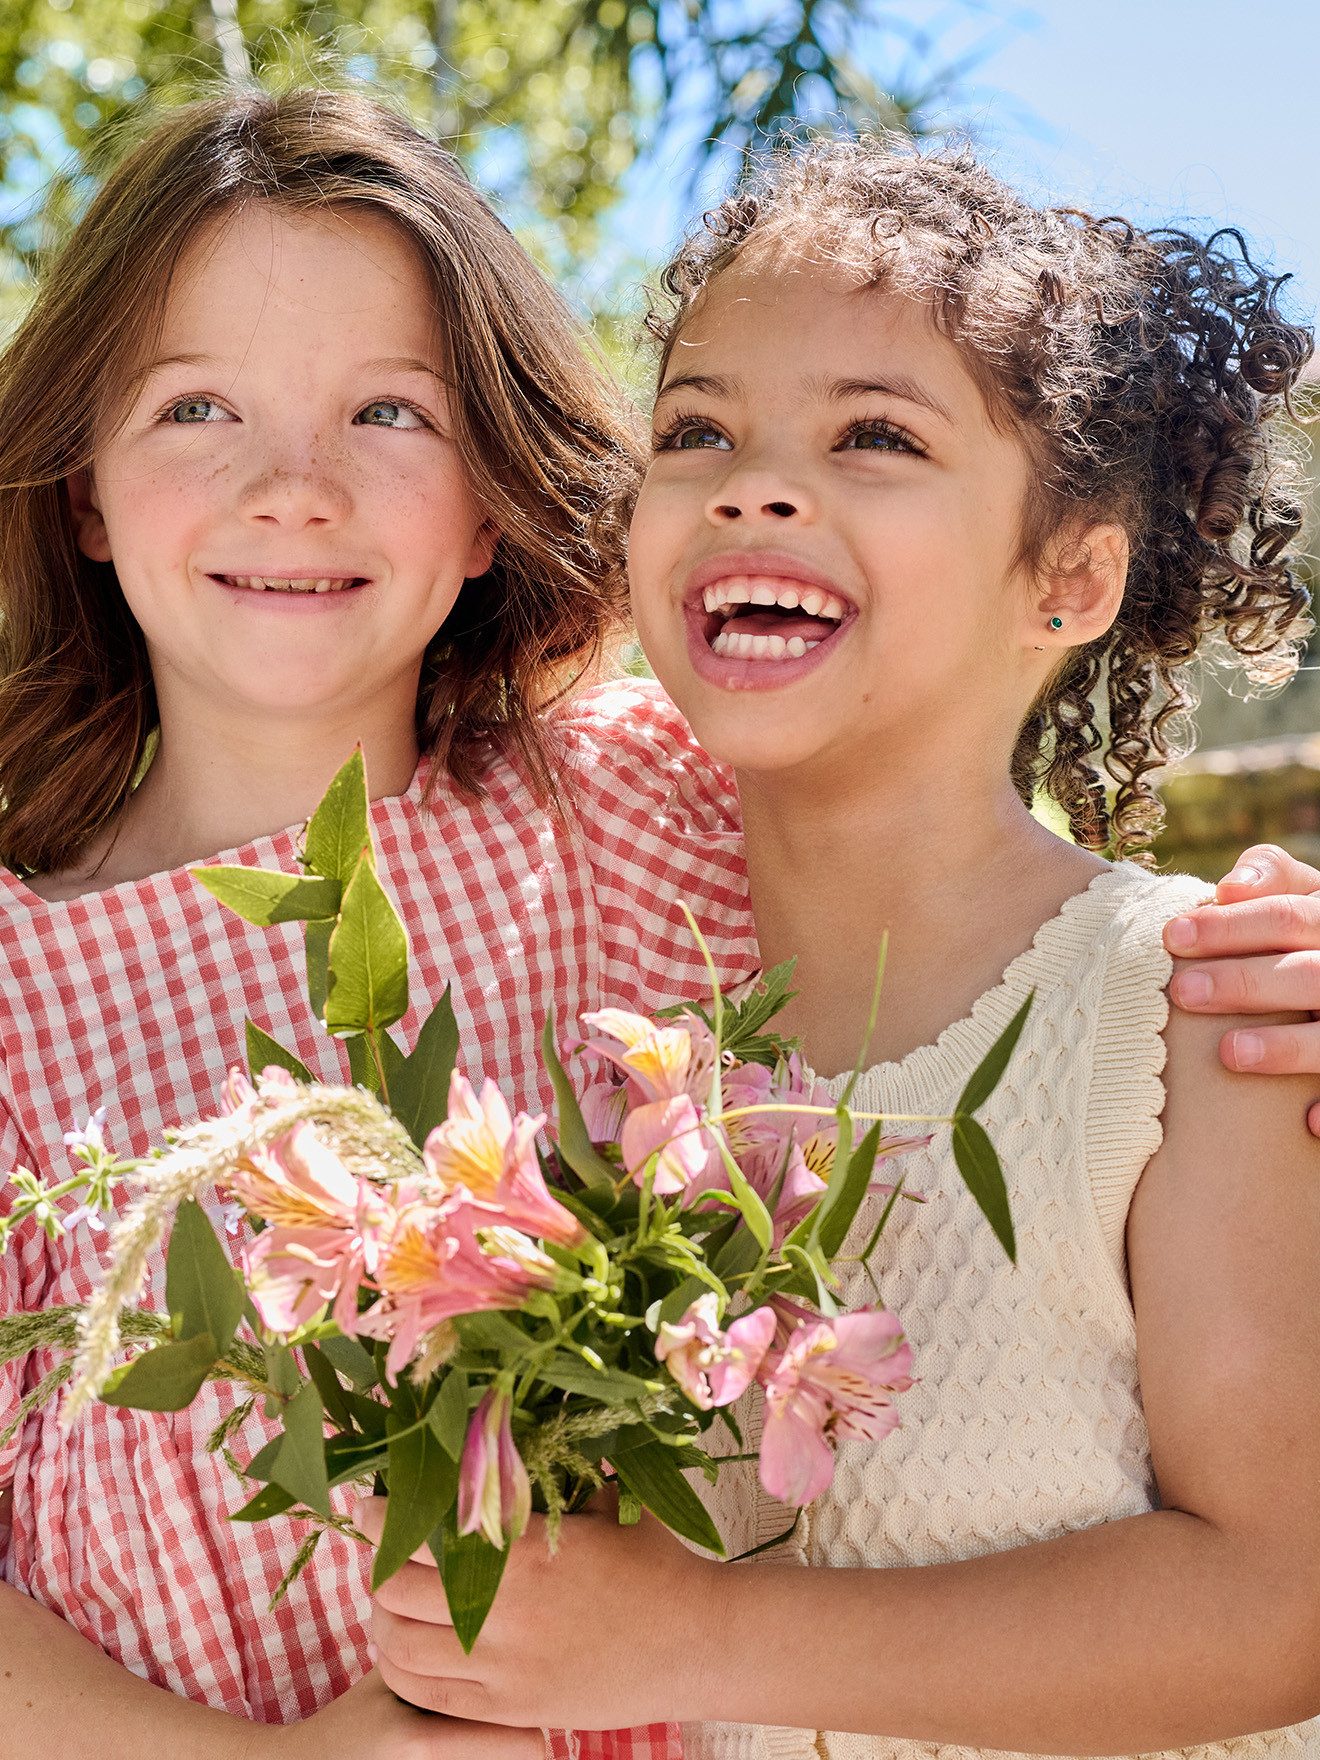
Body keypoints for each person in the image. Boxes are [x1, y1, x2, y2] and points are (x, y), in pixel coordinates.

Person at [360, 136, 1320, 1759]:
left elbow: (1283, 1604)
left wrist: (695, 1640)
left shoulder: (1191, 1016)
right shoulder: (638, 1065)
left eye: (876, 435)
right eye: (697, 431)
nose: (753, 483)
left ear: (1071, 575)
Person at [0, 88, 757, 1759]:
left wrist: (1209, 947)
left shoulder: (633, 815)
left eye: (389, 413)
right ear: (83, 494)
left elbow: (952, 901)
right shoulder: (10, 996)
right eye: (197, 407)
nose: (293, 487)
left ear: (489, 501)